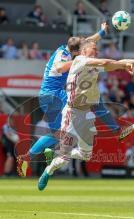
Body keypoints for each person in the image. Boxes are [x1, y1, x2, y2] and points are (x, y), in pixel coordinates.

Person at [38, 39, 134, 190]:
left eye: (97, 50)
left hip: (87, 114)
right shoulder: (79, 60)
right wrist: (123, 65)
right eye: (93, 49)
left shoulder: (94, 65)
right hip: (72, 113)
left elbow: (115, 63)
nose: (96, 51)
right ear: (83, 51)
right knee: (64, 159)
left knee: (85, 155)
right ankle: (48, 170)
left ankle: (53, 155)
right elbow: (107, 62)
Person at [17, 23, 110, 176]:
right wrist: (79, 62)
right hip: (53, 95)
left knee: (59, 134)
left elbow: (88, 41)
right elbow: (60, 67)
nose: (85, 51)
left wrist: (101, 32)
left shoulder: (69, 48)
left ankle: (27, 157)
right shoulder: (64, 55)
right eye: (82, 50)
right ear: (76, 51)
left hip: (51, 95)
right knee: (74, 117)